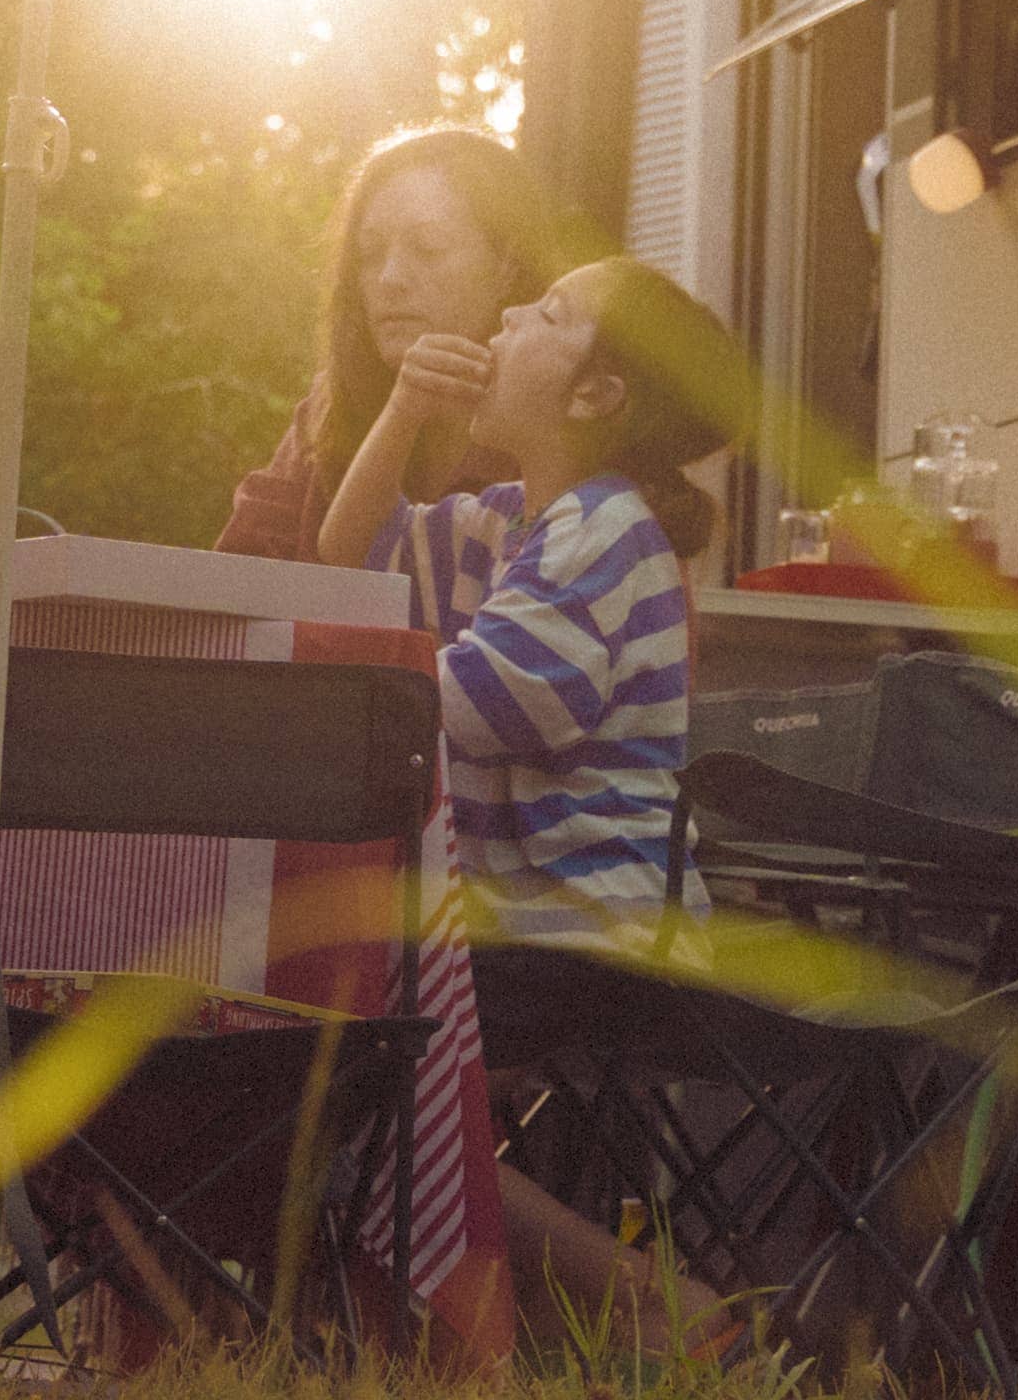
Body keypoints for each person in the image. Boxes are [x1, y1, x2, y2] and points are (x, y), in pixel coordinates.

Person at [317, 254, 743, 1347]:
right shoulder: (523, 519)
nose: (507, 313)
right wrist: (408, 404)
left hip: (591, 930)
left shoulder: (603, 531)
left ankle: (644, 1303)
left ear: (598, 394)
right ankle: (588, 1312)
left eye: (549, 312)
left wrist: (342, 700)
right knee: (379, 1087)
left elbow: (490, 705)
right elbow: (349, 554)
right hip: (541, 927)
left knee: (367, 1085)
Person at [216, 124, 566, 564]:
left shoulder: (563, 425)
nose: (389, 278)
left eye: (428, 247)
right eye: (369, 253)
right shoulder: (329, 407)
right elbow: (235, 585)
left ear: (507, 266)